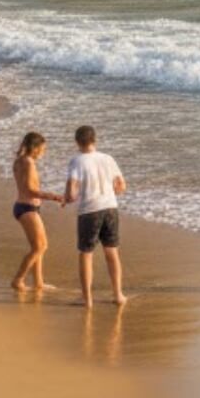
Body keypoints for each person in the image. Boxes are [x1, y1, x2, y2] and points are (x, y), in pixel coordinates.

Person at [61, 125, 128, 308]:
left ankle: (87, 299)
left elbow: (72, 188)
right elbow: (121, 186)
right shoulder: (108, 158)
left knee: (86, 254)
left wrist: (68, 198)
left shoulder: (77, 161)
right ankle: (118, 294)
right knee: (112, 251)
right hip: (110, 208)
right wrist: (110, 191)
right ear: (95, 140)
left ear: (77, 142)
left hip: (89, 210)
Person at [8, 131, 67, 293]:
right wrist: (54, 197)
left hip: (23, 207)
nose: (44, 152)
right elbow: (30, 190)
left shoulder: (19, 161)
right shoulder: (28, 163)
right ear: (35, 148)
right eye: (42, 148)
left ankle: (39, 283)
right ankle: (18, 279)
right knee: (40, 247)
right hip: (27, 208)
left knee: (38, 246)